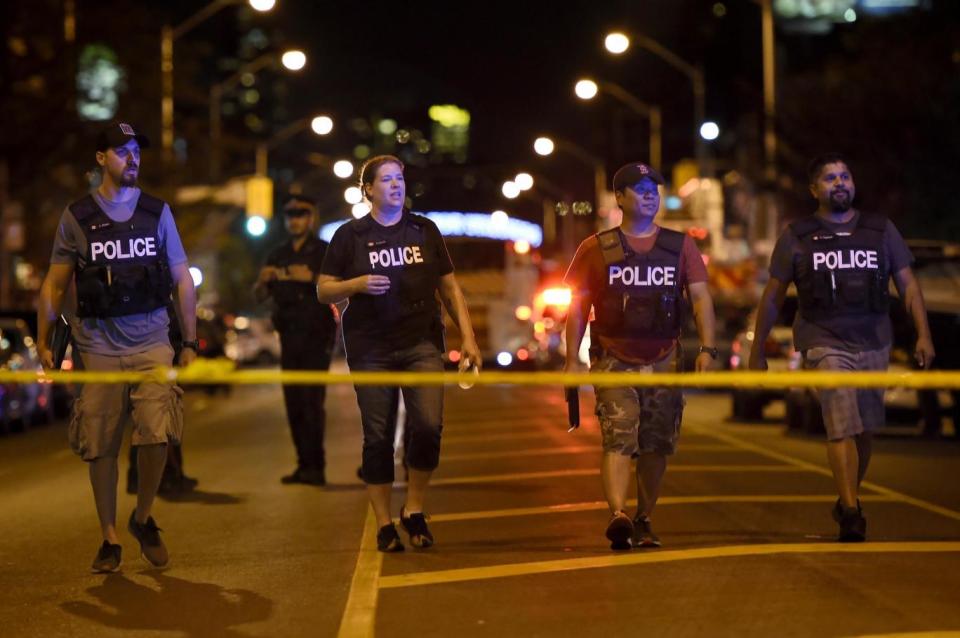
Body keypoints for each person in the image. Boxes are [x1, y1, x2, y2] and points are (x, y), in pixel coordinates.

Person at [748, 153, 934, 542]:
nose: (840, 183)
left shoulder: (881, 230)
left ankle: (848, 496)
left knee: (863, 430)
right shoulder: (797, 236)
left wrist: (923, 334)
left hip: (874, 340)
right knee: (841, 421)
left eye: (845, 176)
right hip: (822, 340)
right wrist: (758, 349)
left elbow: (909, 285)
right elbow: (773, 295)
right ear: (814, 189)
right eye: (830, 178)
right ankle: (851, 511)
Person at [37, 121, 197, 572]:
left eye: (136, 151)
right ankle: (109, 537)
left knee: (157, 431)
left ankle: (142, 517)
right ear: (101, 158)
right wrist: (46, 338)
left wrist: (189, 339)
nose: (133, 158)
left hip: (151, 340)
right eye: (123, 151)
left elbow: (182, 278)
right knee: (101, 444)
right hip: (98, 344)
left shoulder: (156, 211)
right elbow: (54, 283)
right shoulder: (78, 216)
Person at [317, 155, 480, 552]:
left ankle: (415, 508)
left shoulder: (424, 230)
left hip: (421, 343)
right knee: (378, 436)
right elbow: (323, 290)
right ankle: (384, 523)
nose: (395, 185)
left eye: (400, 179)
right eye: (386, 180)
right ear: (368, 189)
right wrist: (354, 284)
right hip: (370, 347)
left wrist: (469, 339)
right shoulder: (350, 236)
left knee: (427, 426)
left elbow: (450, 288)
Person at [563, 162, 717, 550]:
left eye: (654, 188)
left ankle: (644, 516)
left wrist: (708, 348)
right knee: (619, 437)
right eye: (639, 188)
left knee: (656, 443)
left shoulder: (680, 246)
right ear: (619, 198)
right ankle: (618, 515)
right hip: (613, 355)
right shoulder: (595, 248)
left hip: (665, 355)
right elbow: (578, 307)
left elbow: (700, 298)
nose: (650, 194)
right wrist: (570, 360)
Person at [254, 195, 337, 486]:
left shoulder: (323, 251)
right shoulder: (277, 254)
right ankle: (303, 465)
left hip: (316, 334)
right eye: (290, 215)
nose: (295, 220)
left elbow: (337, 289)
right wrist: (264, 280)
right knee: (294, 403)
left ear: (311, 217)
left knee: (312, 402)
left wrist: (311, 278)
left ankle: (317, 466)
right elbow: (260, 295)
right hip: (289, 335)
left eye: (301, 214)